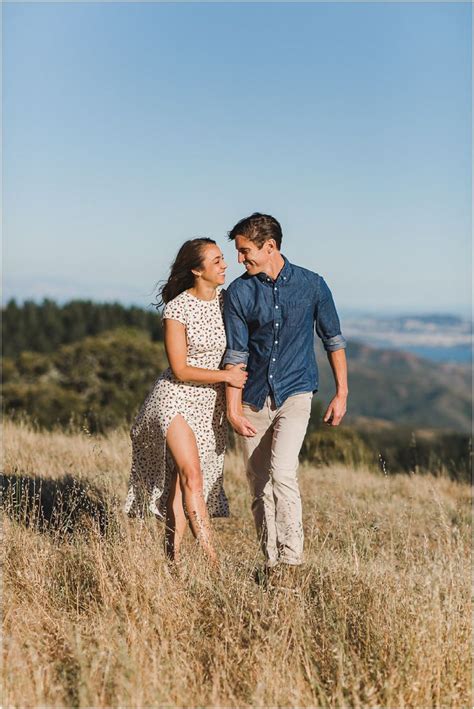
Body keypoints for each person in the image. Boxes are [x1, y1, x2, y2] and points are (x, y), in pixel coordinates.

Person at [223, 213, 348, 576]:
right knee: (258, 484)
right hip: (253, 399)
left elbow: (333, 340)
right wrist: (234, 409)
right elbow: (236, 355)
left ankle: (293, 562)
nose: (240, 259)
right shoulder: (238, 292)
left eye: (246, 251)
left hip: (296, 393)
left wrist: (342, 393)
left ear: (270, 246)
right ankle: (271, 562)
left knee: (283, 472)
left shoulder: (312, 285)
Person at [124, 238, 247, 566]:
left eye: (223, 259)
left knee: (181, 485)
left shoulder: (228, 301)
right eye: (216, 261)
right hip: (175, 399)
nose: (225, 265)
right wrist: (226, 378)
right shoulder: (177, 308)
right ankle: (214, 564)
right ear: (196, 270)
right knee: (192, 475)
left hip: (210, 406)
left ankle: (172, 560)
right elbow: (179, 369)